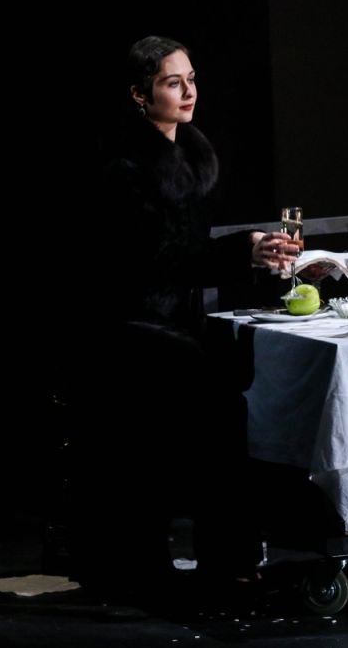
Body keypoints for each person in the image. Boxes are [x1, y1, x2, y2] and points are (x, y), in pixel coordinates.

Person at [64, 36, 294, 604]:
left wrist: (254, 252)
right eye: (173, 83)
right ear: (140, 94)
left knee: (244, 382)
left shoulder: (188, 153)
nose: (189, 92)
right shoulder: (124, 166)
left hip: (173, 322)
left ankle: (232, 555)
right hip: (126, 325)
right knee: (218, 402)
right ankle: (219, 558)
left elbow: (188, 256)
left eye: (191, 79)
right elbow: (147, 261)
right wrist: (241, 251)